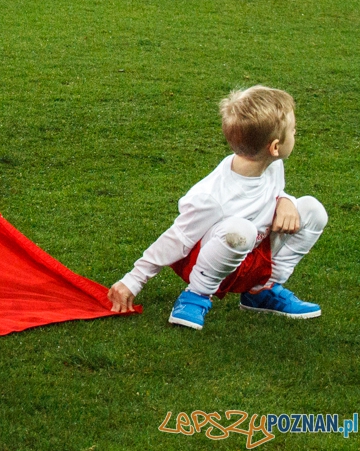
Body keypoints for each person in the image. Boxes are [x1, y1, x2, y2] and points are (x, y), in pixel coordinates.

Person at [107, 85, 325, 330]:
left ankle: (262, 290)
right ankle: (195, 296)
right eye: (293, 131)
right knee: (240, 230)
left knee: (312, 210)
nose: (296, 133)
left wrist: (286, 201)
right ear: (274, 147)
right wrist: (134, 280)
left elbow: (267, 192)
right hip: (212, 259)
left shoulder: (272, 165)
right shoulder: (212, 196)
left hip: (253, 256)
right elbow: (177, 237)